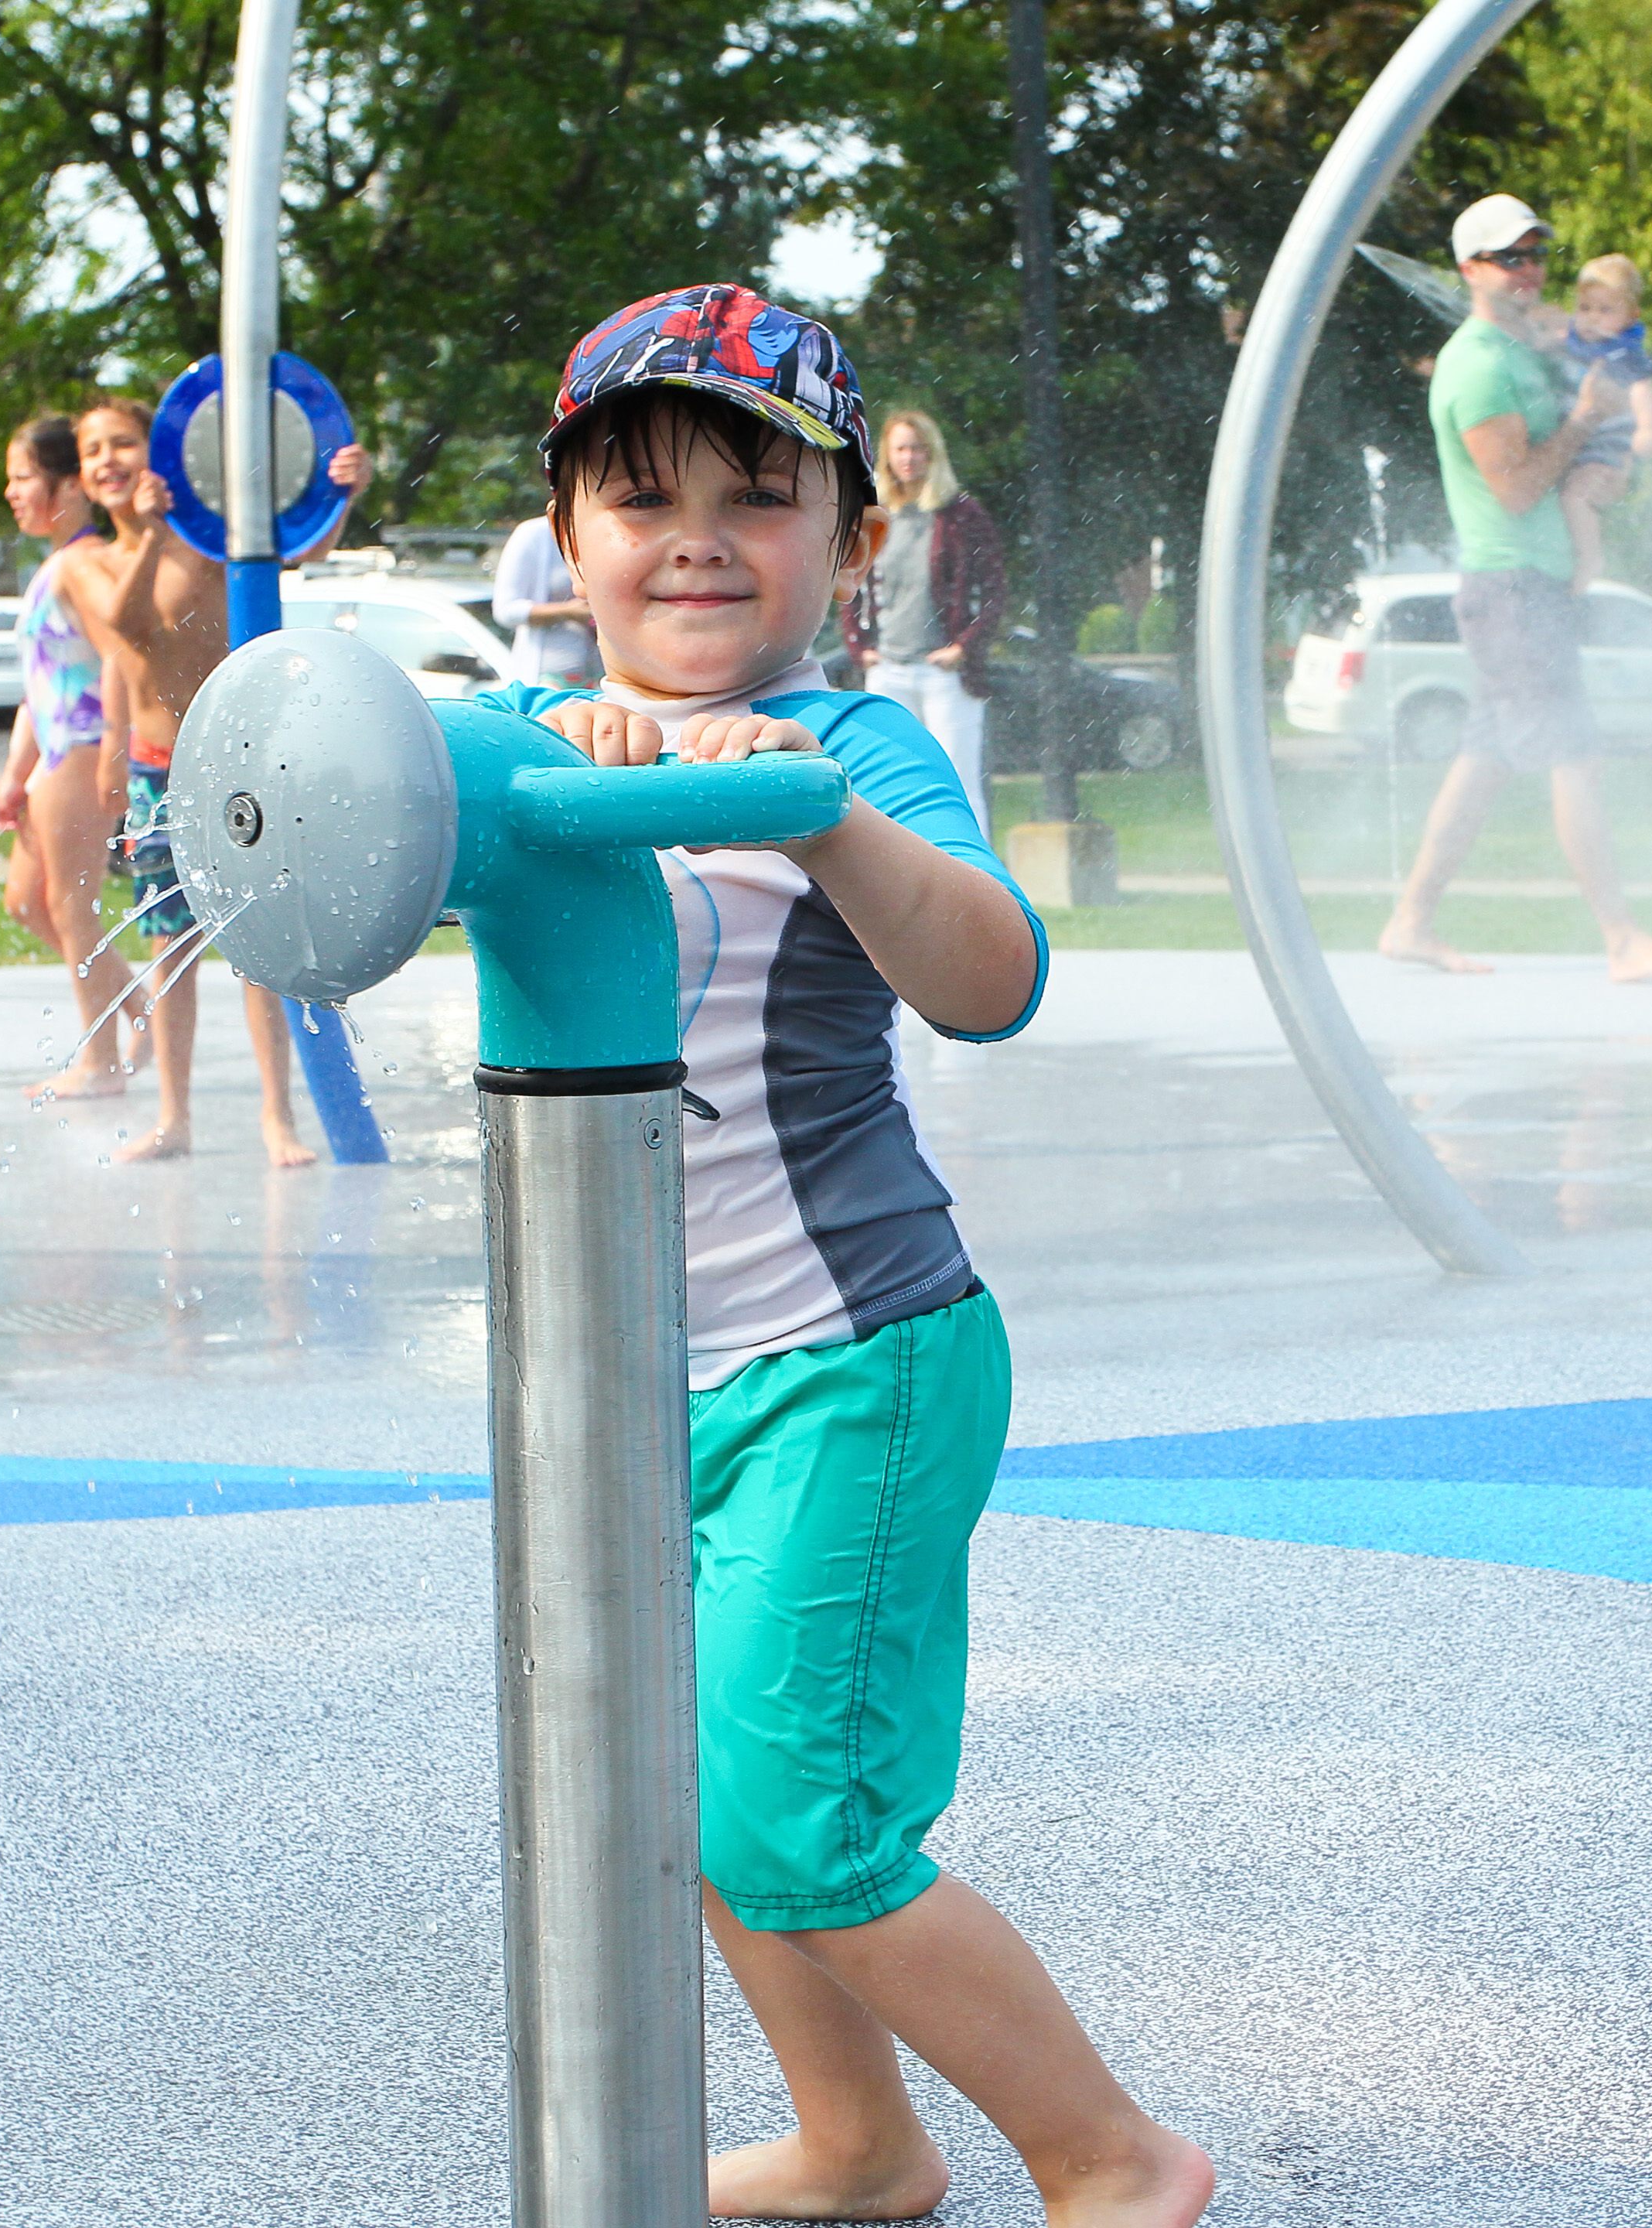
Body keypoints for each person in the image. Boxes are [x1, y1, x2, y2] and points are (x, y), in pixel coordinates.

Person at [483, 283, 1211, 2227]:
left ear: (852, 535)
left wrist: (807, 819)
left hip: (851, 1358)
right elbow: (357, 825)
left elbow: (991, 979)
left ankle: (1113, 2156)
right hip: (652, 1378)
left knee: (803, 1821)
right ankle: (862, 2145)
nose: (697, 534)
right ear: (569, 541)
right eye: (640, 497)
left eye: (759, 492)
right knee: (707, 1796)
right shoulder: (523, 734)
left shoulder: (852, 742)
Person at [1377, 194, 1652, 985]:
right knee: (1577, 756)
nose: (1529, 270)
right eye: (1509, 257)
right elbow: (1518, 488)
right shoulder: (1479, 365)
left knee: (1484, 763)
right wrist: (1585, 425)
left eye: (1536, 254)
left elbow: (1582, 344)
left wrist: (1606, 463)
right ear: (1469, 270)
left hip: (1530, 589)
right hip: (1512, 593)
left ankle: (1410, 922)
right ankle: (1621, 939)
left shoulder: (1521, 347)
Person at [55, 397, 367, 1164]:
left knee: (255, 943)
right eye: (92, 451)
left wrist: (343, 495)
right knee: (170, 946)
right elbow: (125, 628)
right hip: (159, 769)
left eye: (122, 442)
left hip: (238, 755)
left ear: (160, 450)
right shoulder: (84, 563)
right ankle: (173, 1118)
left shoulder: (210, 532)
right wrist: (153, 532)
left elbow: (302, 549)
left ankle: (276, 1117)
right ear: (87, 480)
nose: (108, 459)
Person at [0, 415, 142, 1103]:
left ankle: (101, 1062)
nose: (13, 492)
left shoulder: (81, 562)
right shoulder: (55, 565)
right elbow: (39, 685)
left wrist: (114, 755)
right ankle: (140, 1011)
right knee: (27, 902)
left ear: (69, 486)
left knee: (71, 905)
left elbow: (120, 655)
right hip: (52, 754)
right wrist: (14, 774)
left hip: (82, 752)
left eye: (23, 478)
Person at [844, 408, 1005, 836]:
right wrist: (860, 649)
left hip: (944, 673)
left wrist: (964, 648)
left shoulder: (961, 515)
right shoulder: (873, 514)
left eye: (917, 448)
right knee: (887, 785)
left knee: (959, 783)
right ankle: (901, 887)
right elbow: (848, 581)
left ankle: (981, 886)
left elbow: (995, 591)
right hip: (888, 671)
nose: (909, 457)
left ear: (932, 455)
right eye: (901, 448)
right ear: (887, 455)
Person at [1549, 252, 1652, 593]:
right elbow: (1553, 335)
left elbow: (1643, 390)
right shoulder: (1575, 341)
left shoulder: (1624, 354)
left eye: (1605, 310)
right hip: (1581, 440)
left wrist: (1647, 430)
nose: (1592, 319)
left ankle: (1590, 558)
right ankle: (1570, 554)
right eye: (1585, 308)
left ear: (1630, 317)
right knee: (1561, 494)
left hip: (1606, 447)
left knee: (1575, 498)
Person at [490, 510, 595, 684]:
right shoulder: (533, 534)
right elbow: (505, 610)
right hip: (549, 674)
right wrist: (568, 612)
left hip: (598, 674)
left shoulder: (600, 528)